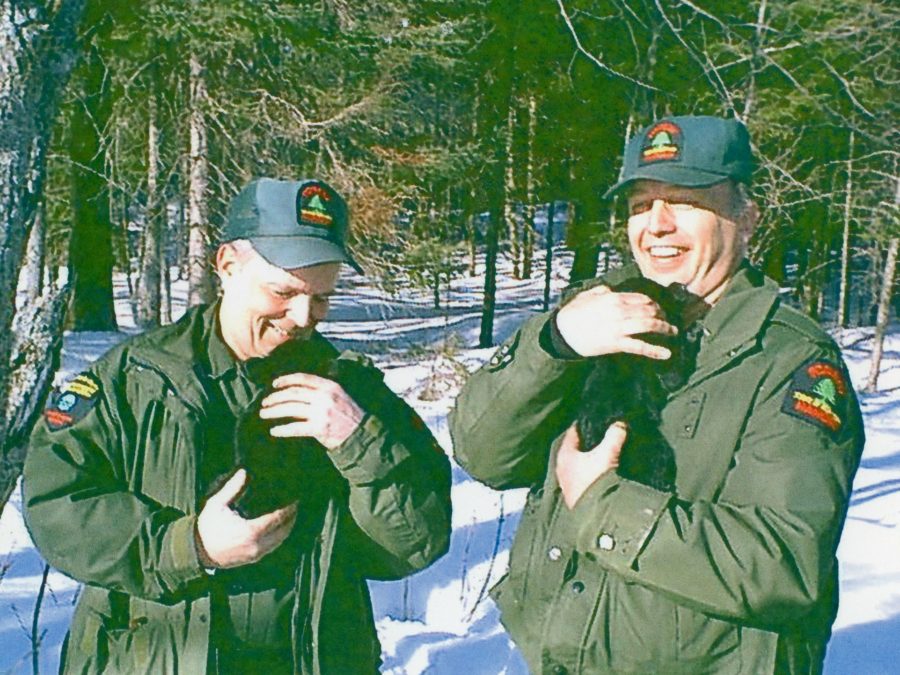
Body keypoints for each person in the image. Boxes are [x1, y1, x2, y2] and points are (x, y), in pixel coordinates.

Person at [450, 116, 864, 674]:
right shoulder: (594, 318)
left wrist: (602, 502)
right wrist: (554, 347)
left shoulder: (789, 361)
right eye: (641, 205)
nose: (657, 225)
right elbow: (485, 455)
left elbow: (784, 565)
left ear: (746, 219)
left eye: (685, 201)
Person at [24, 178, 452, 674]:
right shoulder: (135, 379)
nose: (302, 316)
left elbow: (414, 544)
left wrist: (359, 444)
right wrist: (190, 546)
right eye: (284, 291)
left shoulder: (351, 390)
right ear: (228, 265)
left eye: (321, 298)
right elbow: (55, 503)